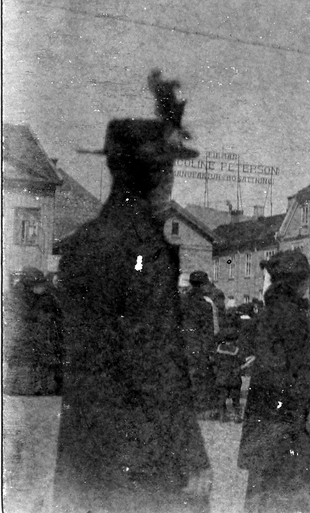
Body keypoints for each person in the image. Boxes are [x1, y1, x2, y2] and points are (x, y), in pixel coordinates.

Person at [53, 70, 212, 513]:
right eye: (166, 171)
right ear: (153, 178)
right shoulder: (146, 252)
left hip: (85, 445)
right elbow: (156, 360)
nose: (170, 183)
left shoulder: (82, 244)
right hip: (140, 453)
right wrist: (191, 454)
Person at [238, 250, 310, 513]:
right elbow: (301, 371)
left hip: (263, 418)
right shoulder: (295, 318)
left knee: (261, 490)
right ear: (297, 282)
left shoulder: (268, 312)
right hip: (287, 422)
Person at [3, 266, 63, 396]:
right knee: (25, 363)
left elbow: (57, 313)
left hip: (41, 338)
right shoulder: (16, 296)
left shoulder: (47, 297)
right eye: (39, 284)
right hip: (25, 340)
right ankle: (25, 387)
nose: (43, 287)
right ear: (30, 285)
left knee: (42, 362)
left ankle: (42, 387)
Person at [182, 269, 220, 419]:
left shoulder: (180, 300)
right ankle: (199, 409)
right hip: (198, 347)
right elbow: (208, 331)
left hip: (183, 345)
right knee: (200, 378)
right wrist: (210, 351)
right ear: (203, 285)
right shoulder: (205, 305)